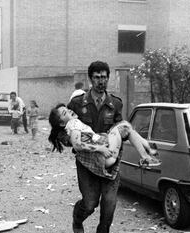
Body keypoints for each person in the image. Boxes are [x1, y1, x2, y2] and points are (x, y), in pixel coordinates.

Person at [66, 61, 123, 233]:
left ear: (108, 78)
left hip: (109, 161)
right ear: (91, 79)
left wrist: (117, 141)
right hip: (87, 163)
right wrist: (72, 141)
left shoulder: (116, 104)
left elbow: (121, 130)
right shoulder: (77, 103)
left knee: (109, 205)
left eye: (104, 77)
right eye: (97, 77)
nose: (101, 81)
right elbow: (62, 129)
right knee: (90, 203)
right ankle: (78, 219)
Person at [48, 104, 160, 168]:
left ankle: (147, 153)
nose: (69, 111)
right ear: (62, 123)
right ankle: (147, 152)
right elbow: (77, 145)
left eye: (67, 109)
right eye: (64, 113)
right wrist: (100, 149)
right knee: (125, 126)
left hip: (107, 157)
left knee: (127, 129)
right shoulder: (73, 123)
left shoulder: (71, 127)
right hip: (106, 153)